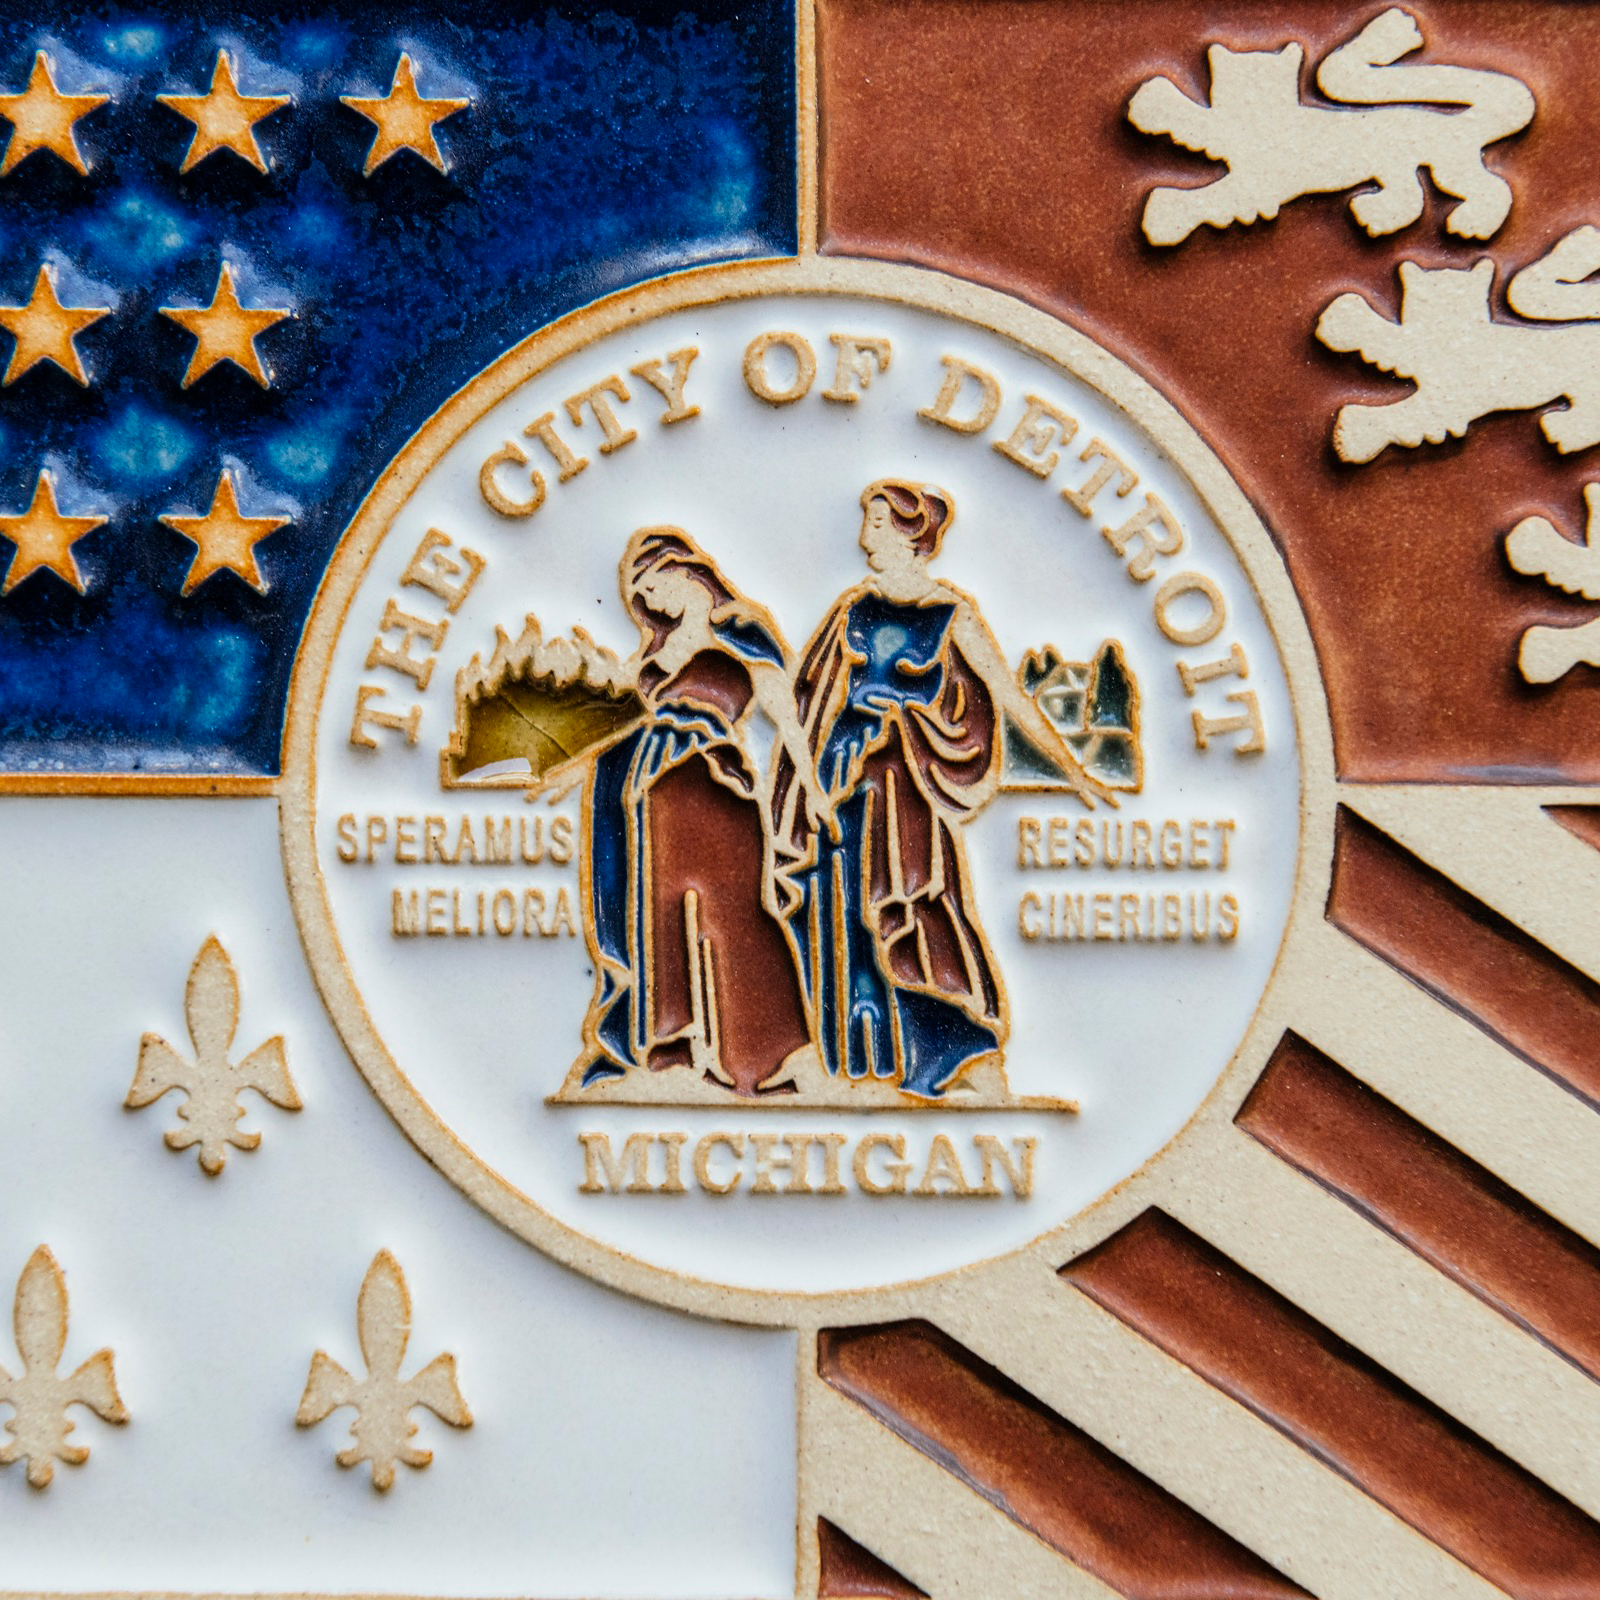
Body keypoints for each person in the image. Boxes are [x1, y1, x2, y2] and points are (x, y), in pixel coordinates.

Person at [771, 480, 1106, 1098]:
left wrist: (1074, 772)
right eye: (865, 523)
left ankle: (960, 1050)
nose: (863, 537)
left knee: (909, 907)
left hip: (904, 786)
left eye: (875, 523)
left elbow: (1008, 697)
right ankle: (864, 1062)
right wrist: (810, 780)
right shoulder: (852, 608)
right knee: (846, 916)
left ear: (907, 532)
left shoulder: (953, 613)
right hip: (847, 781)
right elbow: (809, 699)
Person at [580, 527, 826, 1096]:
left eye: (654, 587)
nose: (650, 604)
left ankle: (764, 1062)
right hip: (653, 790)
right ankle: (675, 1049)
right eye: (640, 597)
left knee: (738, 910)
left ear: (687, 574)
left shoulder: (741, 632)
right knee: (660, 915)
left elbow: (782, 714)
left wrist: (809, 786)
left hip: (717, 781)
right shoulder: (650, 655)